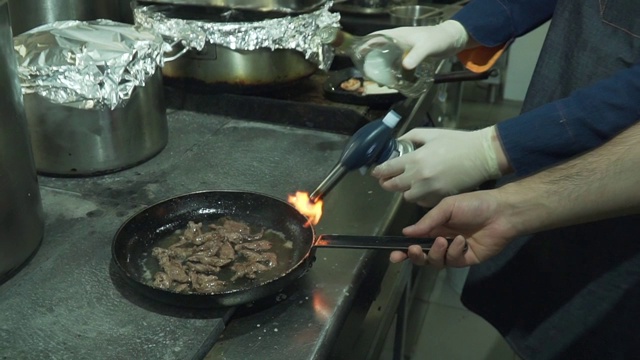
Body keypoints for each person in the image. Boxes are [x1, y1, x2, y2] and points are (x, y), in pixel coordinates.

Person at [366, 0, 640, 358]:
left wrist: (493, 149)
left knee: (595, 325)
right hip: (561, 136)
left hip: (623, 210)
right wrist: (458, 29)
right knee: (543, 294)